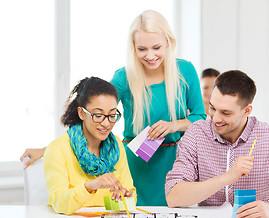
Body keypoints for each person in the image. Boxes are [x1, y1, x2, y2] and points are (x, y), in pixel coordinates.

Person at [20, 10, 206, 206]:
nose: (150, 56)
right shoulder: (124, 77)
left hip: (174, 162)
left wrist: (174, 125)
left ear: (168, 42)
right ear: (133, 48)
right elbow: (93, 116)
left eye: (156, 47)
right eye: (142, 49)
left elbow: (200, 117)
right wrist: (47, 149)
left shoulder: (185, 71)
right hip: (134, 163)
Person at [165, 70, 269, 218]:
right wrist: (227, 177)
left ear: (247, 110)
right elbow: (173, 197)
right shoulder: (197, 133)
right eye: (213, 108)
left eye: (226, 113)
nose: (215, 119)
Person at [44, 77, 135, 215]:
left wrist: (123, 200)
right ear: (81, 113)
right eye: (98, 115)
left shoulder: (116, 146)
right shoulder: (57, 149)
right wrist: (91, 186)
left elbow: (131, 198)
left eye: (112, 115)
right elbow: (60, 204)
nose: (106, 123)